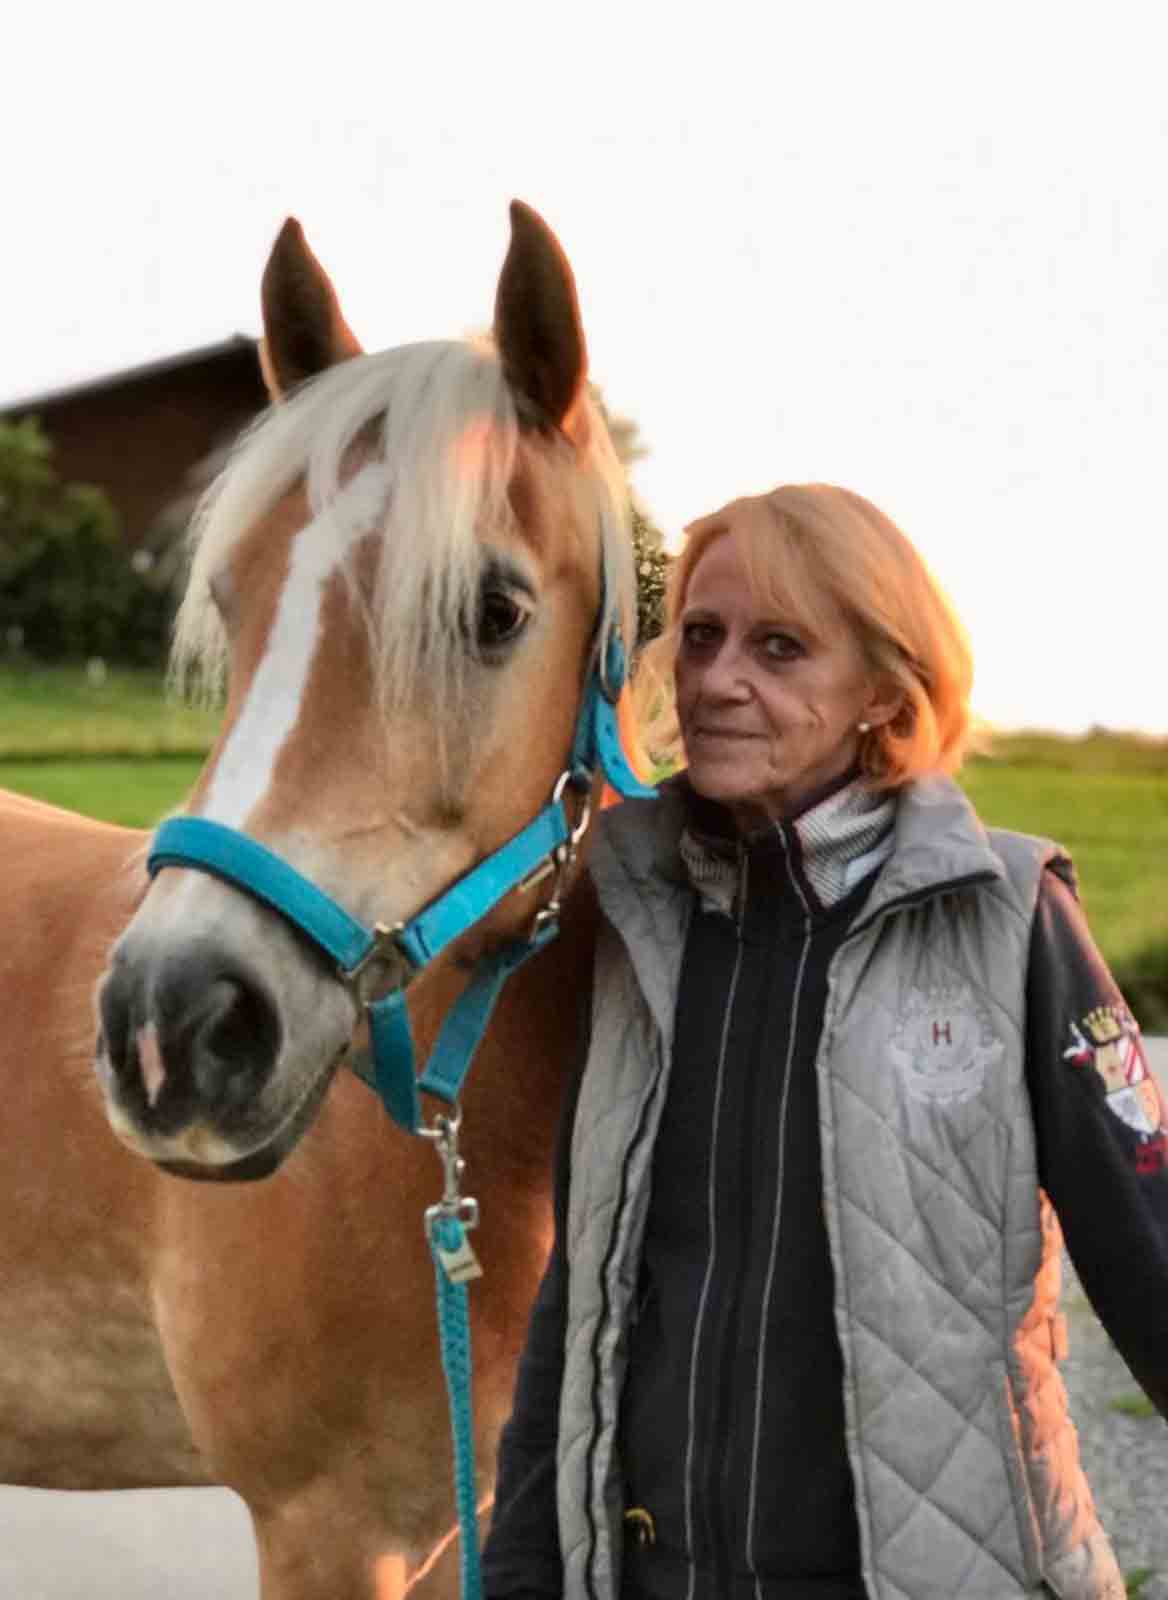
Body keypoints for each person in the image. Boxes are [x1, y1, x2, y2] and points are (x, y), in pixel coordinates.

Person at [481, 484, 1168, 1600]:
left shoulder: (1006, 915)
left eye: (780, 647)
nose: (716, 679)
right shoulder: (634, 920)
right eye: (700, 635)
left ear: (882, 691)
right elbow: (584, 1298)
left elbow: (1153, 1254)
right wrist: (519, 1574)